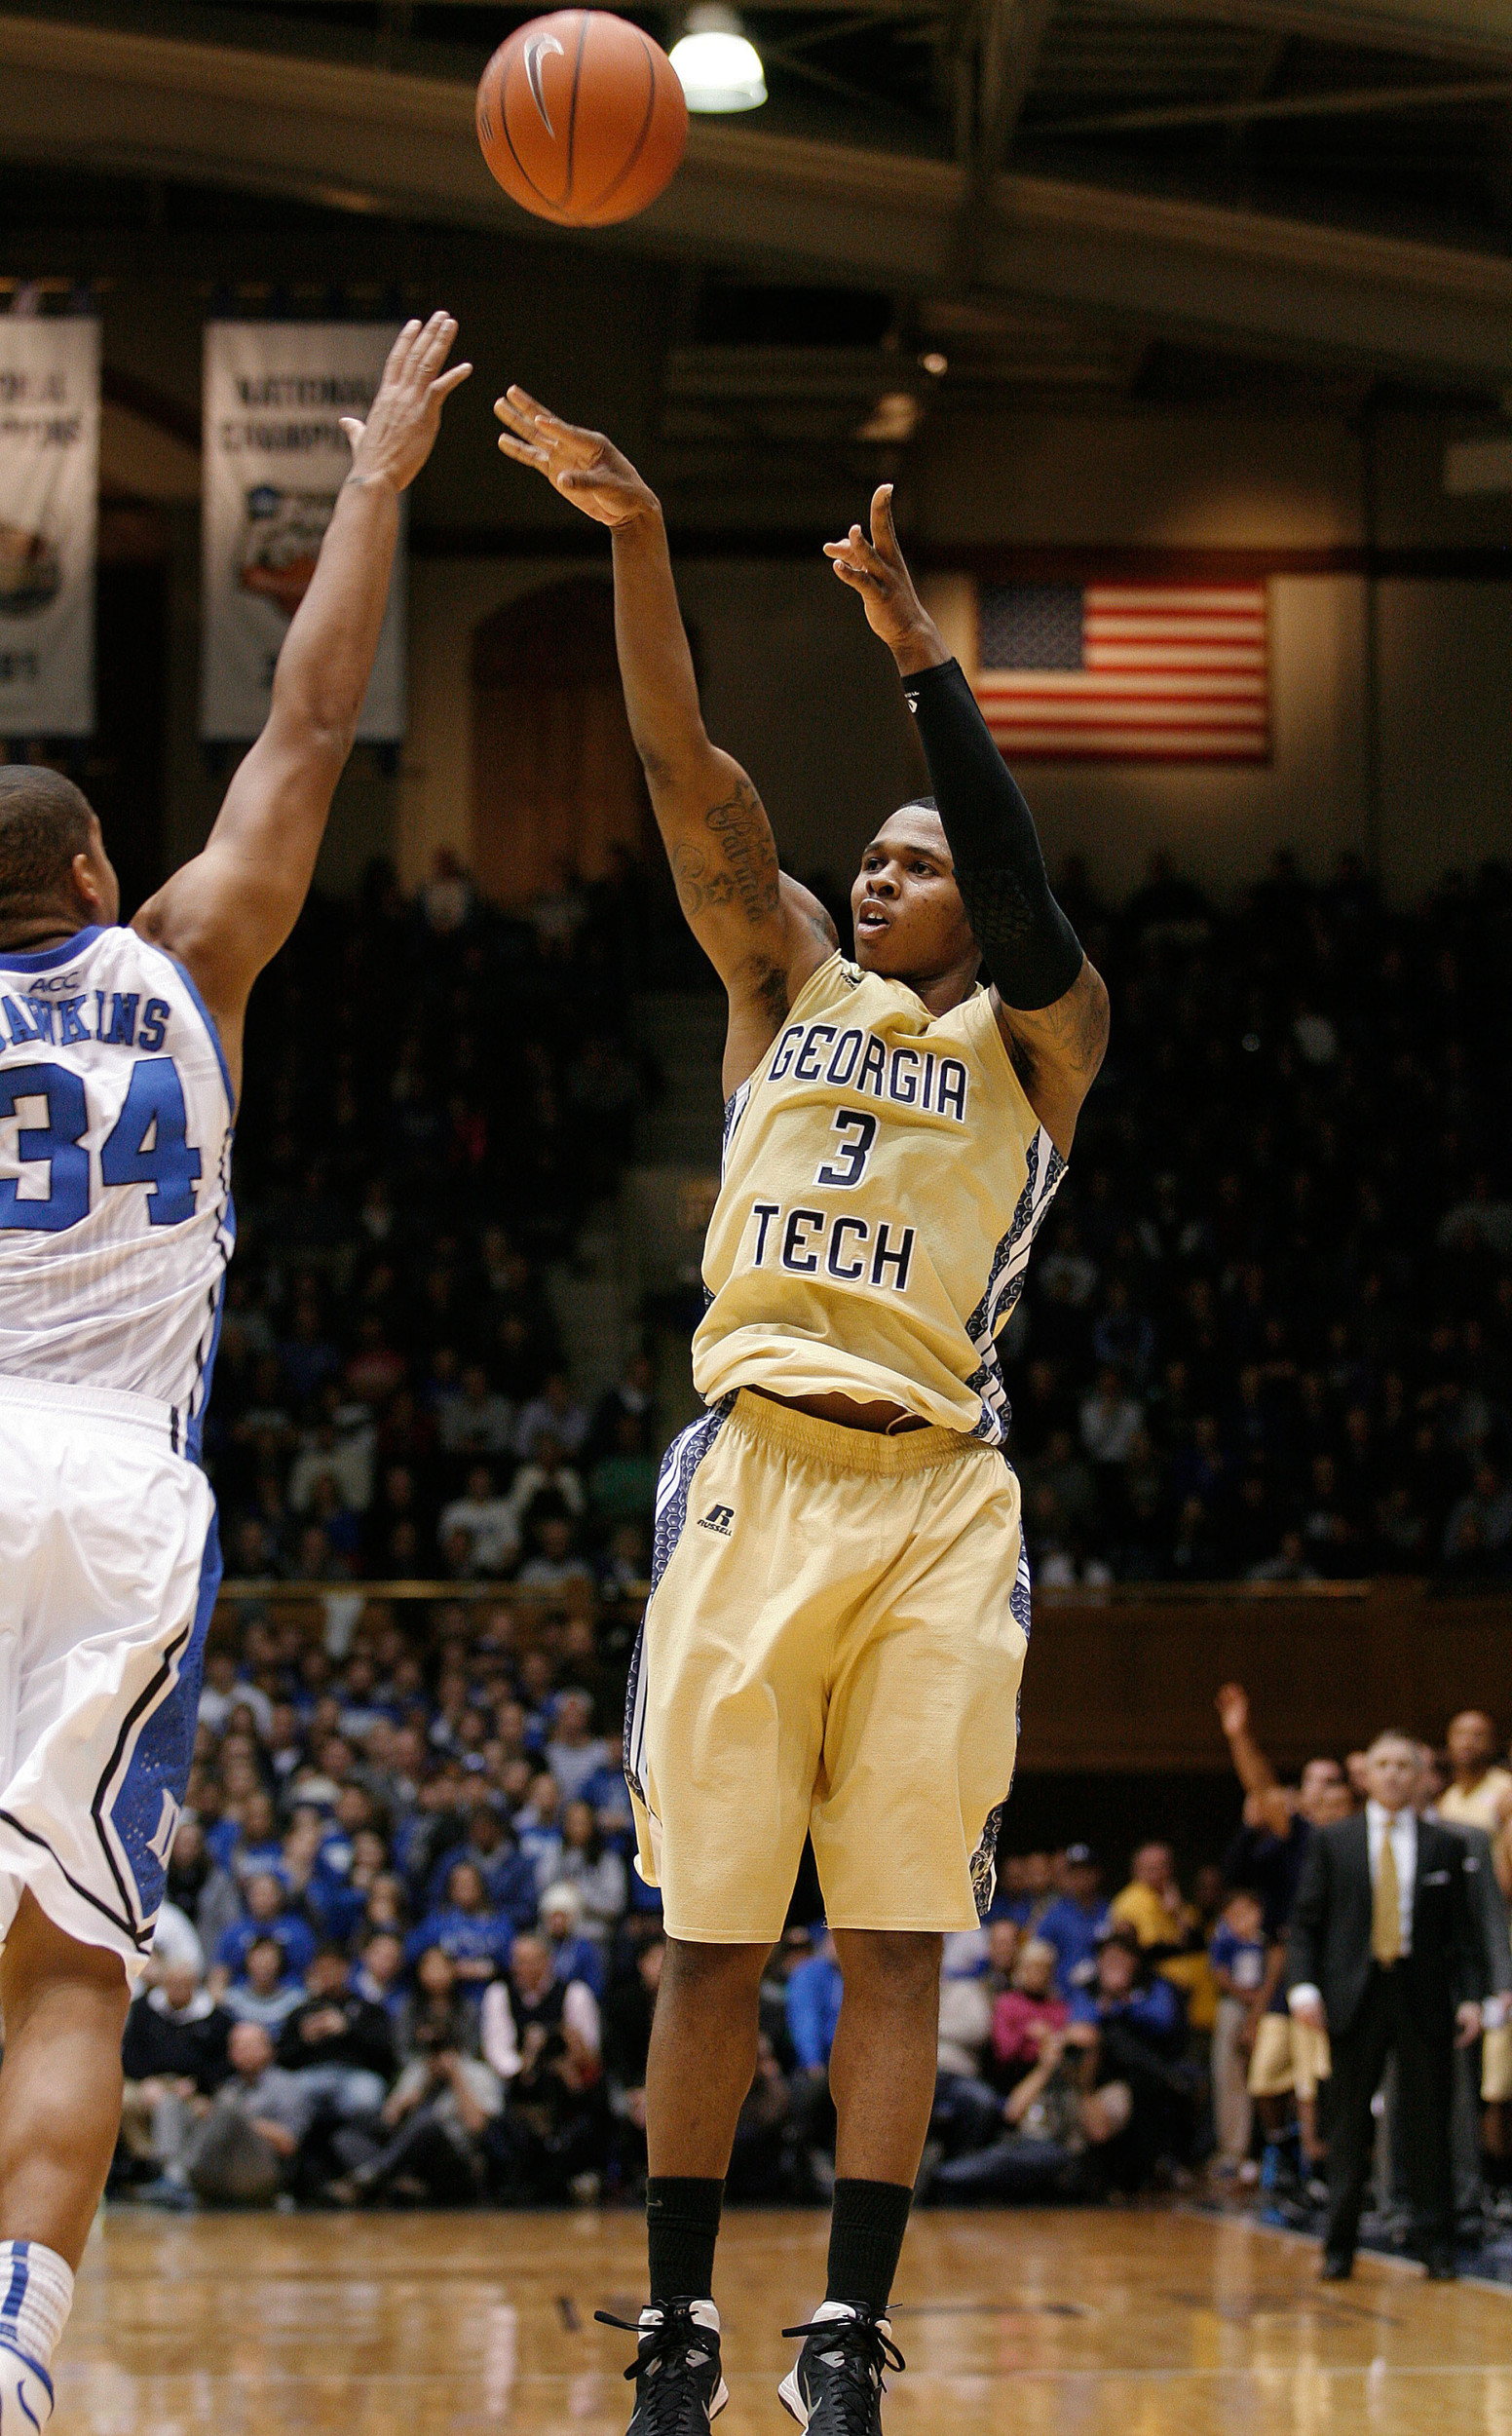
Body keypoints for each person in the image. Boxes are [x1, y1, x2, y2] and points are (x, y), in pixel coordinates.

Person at [497, 379, 1109, 2436]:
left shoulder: (1046, 1039)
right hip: (755, 1470)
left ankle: (838, 2330)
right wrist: (635, 536)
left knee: (899, 1928)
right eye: (867, 859)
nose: (875, 878)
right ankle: (678, 2323)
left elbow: (1025, 905)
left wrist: (926, 667)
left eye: (911, 862)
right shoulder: (777, 986)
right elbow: (688, 776)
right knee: (707, 1937)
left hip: (938, 1496)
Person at [0, 314, 469, 2416]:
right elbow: (308, 713)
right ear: (98, 874)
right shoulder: (184, 950)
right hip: (111, 1482)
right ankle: (14, 2331)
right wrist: (368, 475)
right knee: (68, 1961)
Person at [1287, 1730, 1486, 2280]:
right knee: (1348, 2126)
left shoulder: (1446, 1844)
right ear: (1366, 1775)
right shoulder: (1334, 1841)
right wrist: (1303, 1987)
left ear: (1422, 1775)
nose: (1395, 1774)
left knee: (1428, 2125)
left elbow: (1463, 1937)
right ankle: (1339, 2245)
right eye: (1384, 1764)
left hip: (1422, 1996)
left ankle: (1435, 2244)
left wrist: (1471, 1998)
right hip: (1355, 1995)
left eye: (1405, 1765)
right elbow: (1306, 1923)